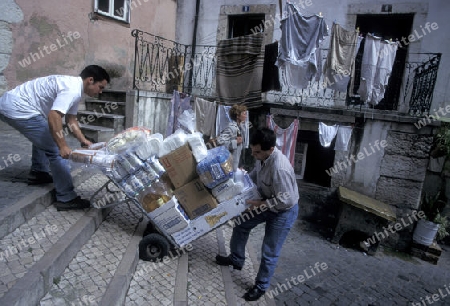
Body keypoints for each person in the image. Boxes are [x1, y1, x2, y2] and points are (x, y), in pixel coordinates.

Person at [0, 65, 110, 211]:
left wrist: (83, 140)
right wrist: (62, 146)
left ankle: (39, 173)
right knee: (55, 149)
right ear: (90, 80)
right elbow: (54, 115)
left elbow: (71, 120)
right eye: (100, 87)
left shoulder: (75, 89)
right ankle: (66, 197)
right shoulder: (71, 89)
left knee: (46, 134)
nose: (100, 92)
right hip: (17, 107)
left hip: (12, 104)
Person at [215, 127, 299, 301]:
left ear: (270, 149)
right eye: (252, 151)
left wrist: (260, 205)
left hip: (283, 211)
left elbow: (287, 200)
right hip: (266, 201)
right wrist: (242, 178)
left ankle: (261, 286)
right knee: (241, 223)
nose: (254, 155)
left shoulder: (280, 168)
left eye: (257, 152)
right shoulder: (262, 157)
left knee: (269, 251)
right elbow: (256, 174)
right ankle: (236, 259)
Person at [215, 104, 247, 172]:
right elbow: (219, 142)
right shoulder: (231, 128)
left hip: (237, 165)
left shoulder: (241, 128)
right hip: (229, 166)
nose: (246, 116)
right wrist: (235, 142)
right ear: (238, 116)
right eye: (244, 114)